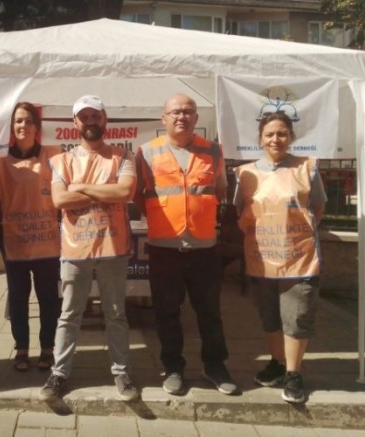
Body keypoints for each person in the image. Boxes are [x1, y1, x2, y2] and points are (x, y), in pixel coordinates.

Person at [133, 93, 239, 396]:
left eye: (188, 111)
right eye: (175, 112)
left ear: (196, 117)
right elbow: (138, 196)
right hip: (164, 250)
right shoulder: (146, 152)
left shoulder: (214, 151)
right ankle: (173, 368)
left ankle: (215, 366)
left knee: (210, 313)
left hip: (204, 250)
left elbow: (219, 191)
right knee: (167, 313)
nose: (182, 116)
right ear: (164, 118)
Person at [39, 95, 139, 402]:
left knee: (115, 314)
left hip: (113, 248)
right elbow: (60, 200)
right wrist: (105, 192)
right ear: (75, 123)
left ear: (104, 118)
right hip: (75, 251)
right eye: (84, 117)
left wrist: (80, 187)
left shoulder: (123, 156)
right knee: (69, 315)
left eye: (95, 115)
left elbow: (125, 191)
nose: (90, 122)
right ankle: (59, 374)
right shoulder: (62, 160)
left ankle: (121, 372)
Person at [233, 112, 326, 404]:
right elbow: (241, 211)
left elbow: (318, 208)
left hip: (299, 260)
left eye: (282, 133)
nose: (276, 139)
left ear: (291, 137)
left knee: (296, 318)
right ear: (260, 139)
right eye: (270, 134)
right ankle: (277, 363)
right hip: (261, 259)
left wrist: (294, 235)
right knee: (270, 316)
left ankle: (293, 374)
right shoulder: (245, 173)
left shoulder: (307, 168)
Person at [0, 102, 61, 371]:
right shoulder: (0, 161)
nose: (23, 126)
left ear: (37, 126)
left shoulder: (52, 155)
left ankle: (47, 348)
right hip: (14, 241)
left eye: (29, 121)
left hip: (47, 242)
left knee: (48, 298)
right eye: (18, 121)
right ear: (11, 126)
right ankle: (21, 349)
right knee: (18, 297)